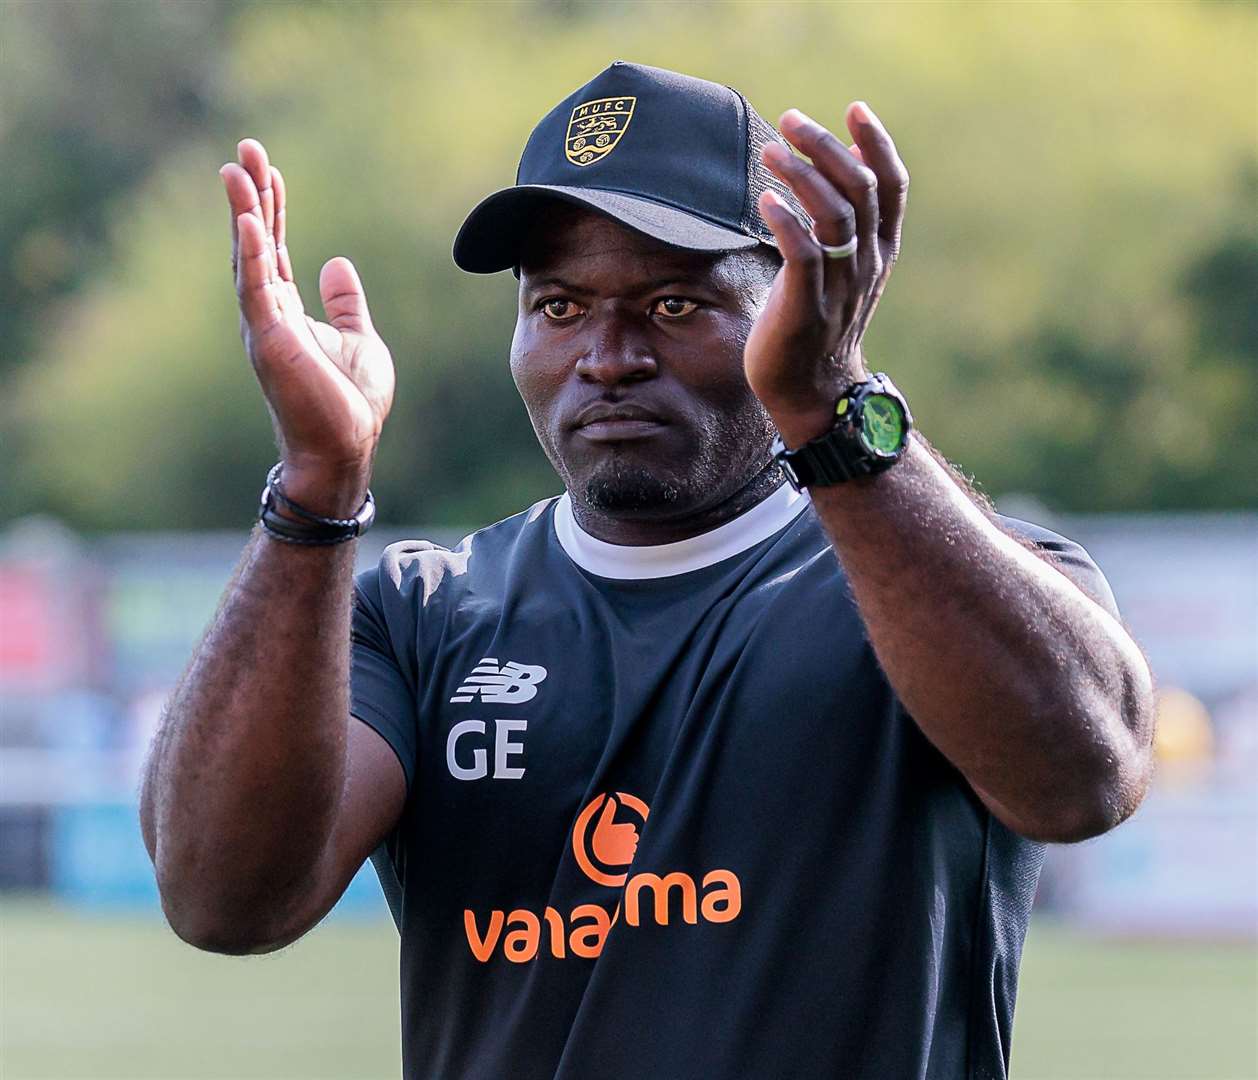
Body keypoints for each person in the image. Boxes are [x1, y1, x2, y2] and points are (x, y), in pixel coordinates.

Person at [140, 62, 1155, 1079]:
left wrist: (834, 405)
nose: (607, 355)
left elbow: (1082, 785)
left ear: (796, 302)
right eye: (560, 307)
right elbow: (222, 900)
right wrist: (315, 493)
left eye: (672, 305)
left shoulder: (931, 579)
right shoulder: (417, 615)